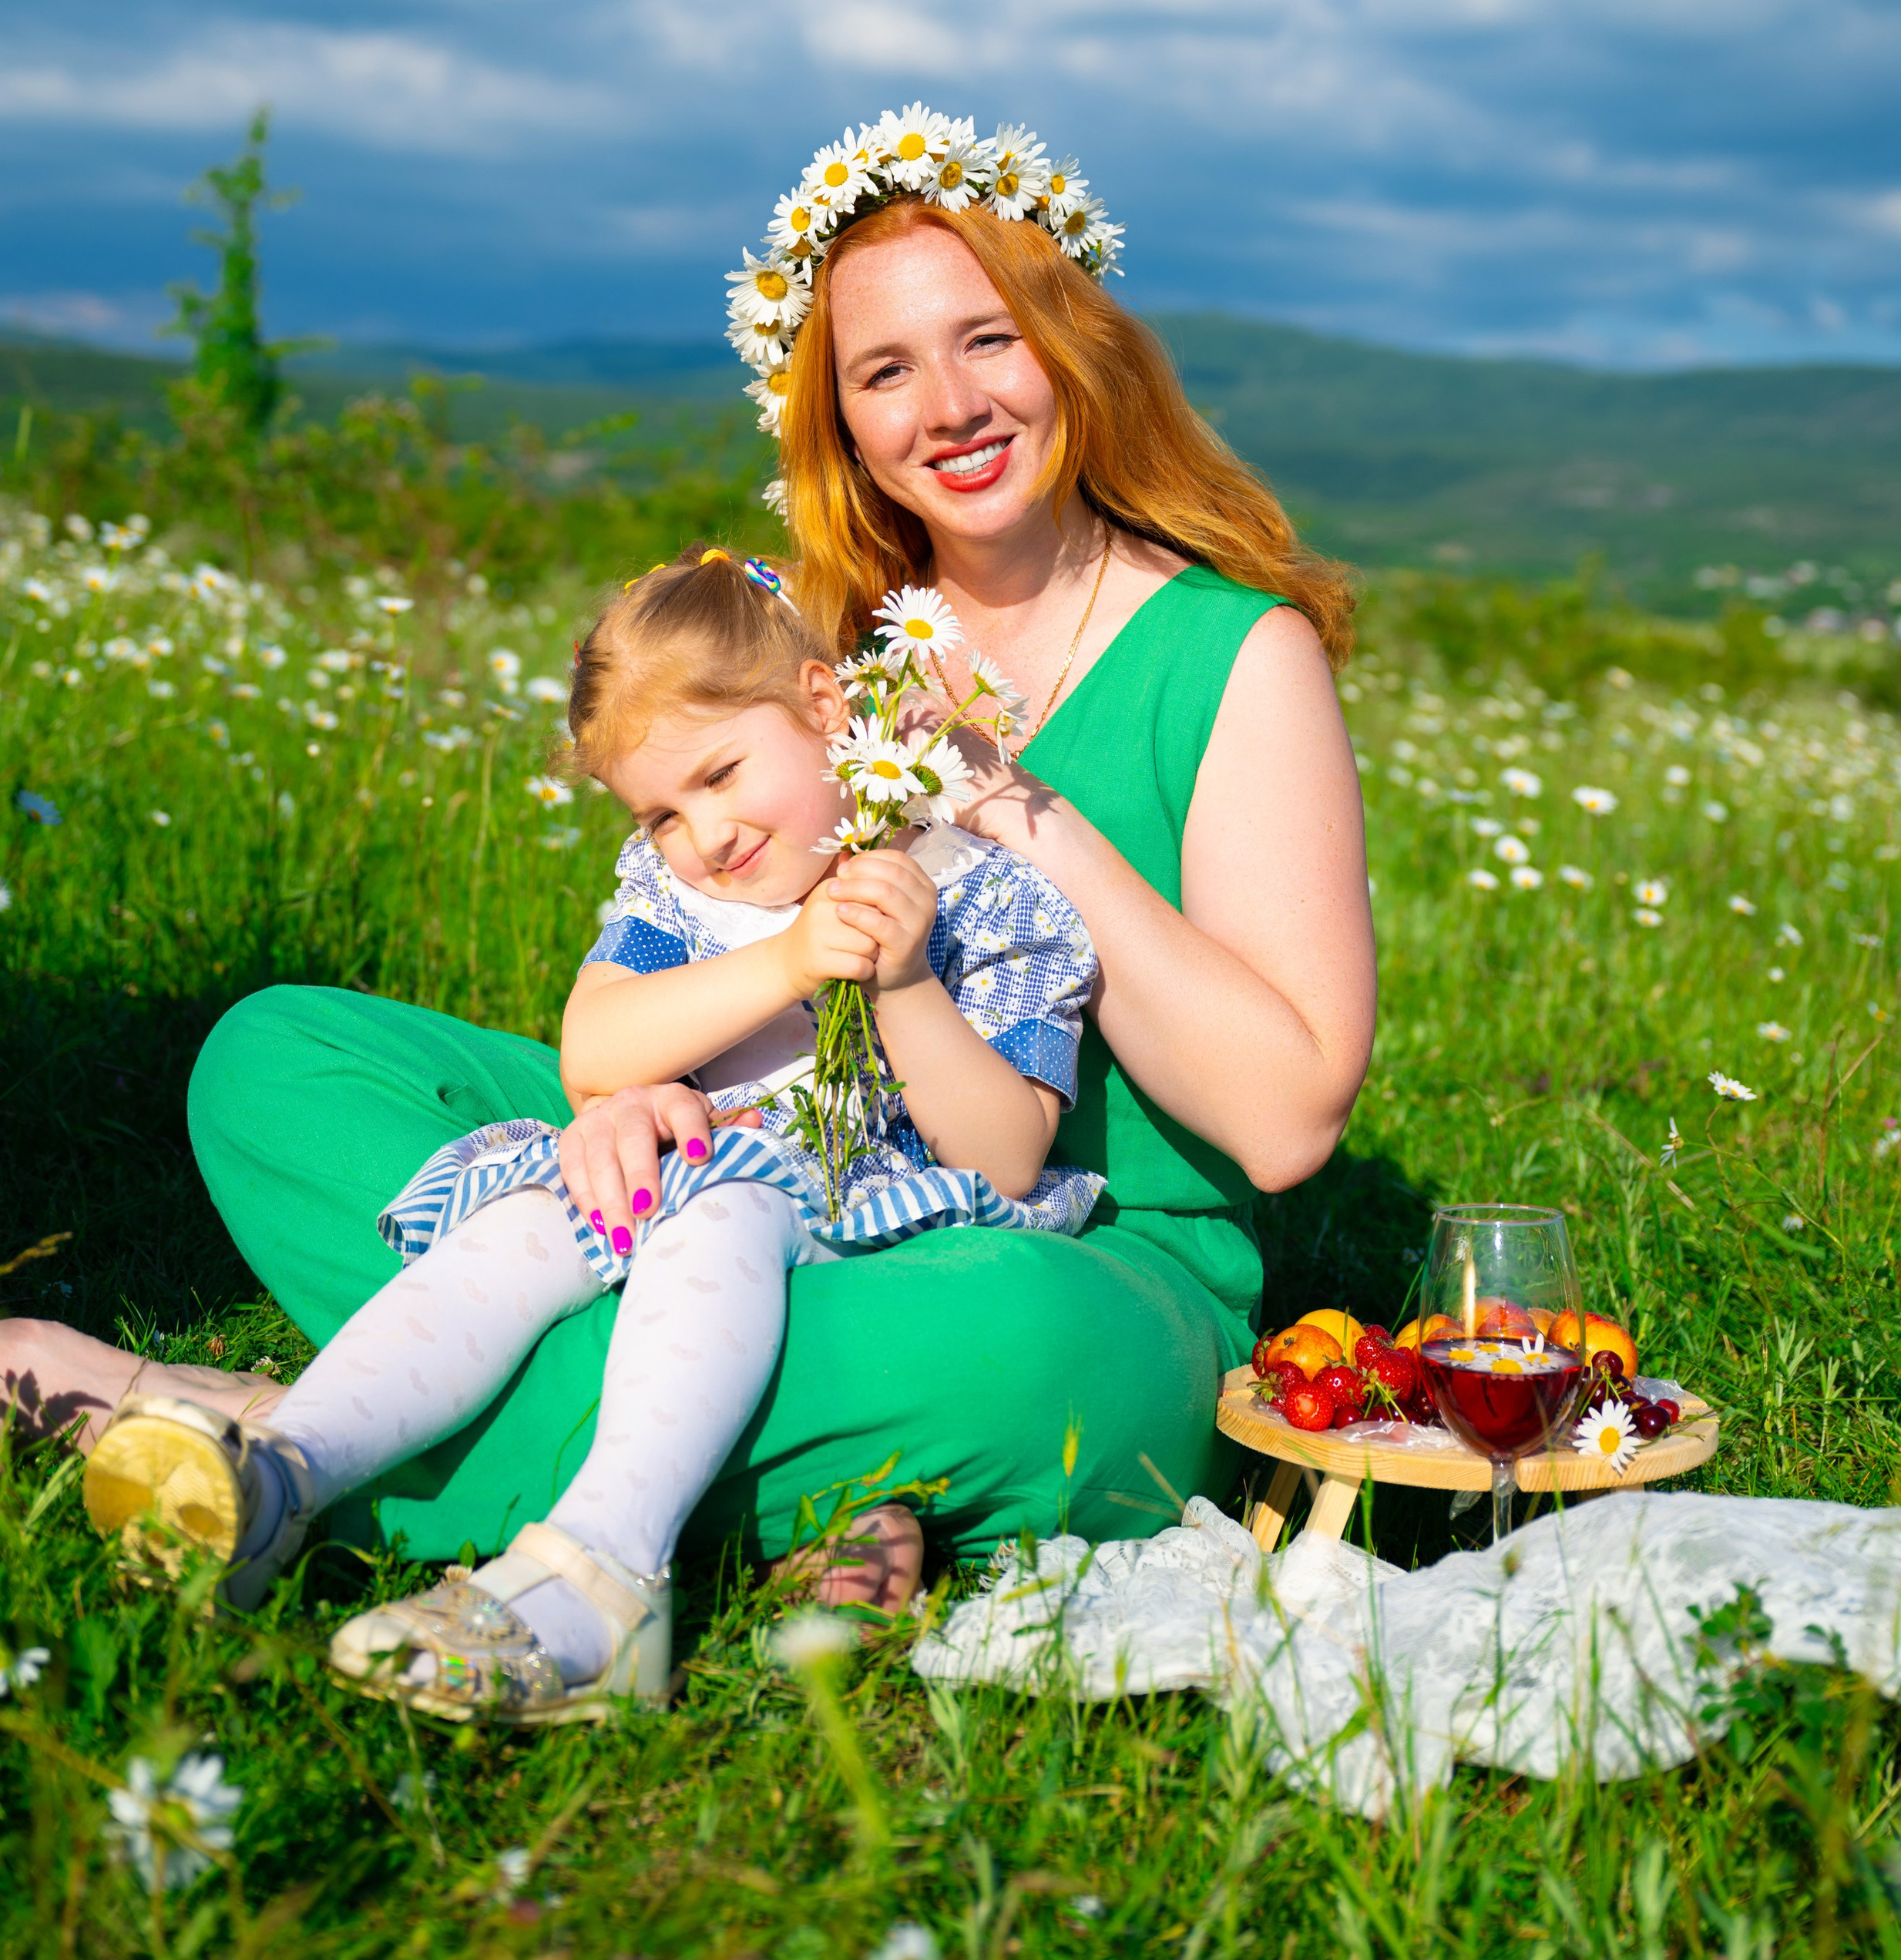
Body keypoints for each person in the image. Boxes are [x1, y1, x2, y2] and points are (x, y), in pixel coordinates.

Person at [5, 106, 1376, 1614]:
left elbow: (1282, 1122)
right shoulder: (821, 643)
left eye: (988, 340)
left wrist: (1006, 805)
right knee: (274, 1059)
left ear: (1073, 340)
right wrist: (642, 1107)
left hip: (1055, 1248)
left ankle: (277, 1436)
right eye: (883, 371)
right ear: (838, 418)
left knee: (1028, 1364)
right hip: (739, 1159)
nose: (947, 407)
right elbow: (664, 964)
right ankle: (772, 1478)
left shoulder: (1235, 654)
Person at [79, 547, 1102, 1720]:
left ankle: (608, 1569)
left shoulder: (981, 896)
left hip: (879, 1238)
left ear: (828, 709)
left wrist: (907, 980)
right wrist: (779, 965)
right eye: (661, 810)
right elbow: (595, 1053)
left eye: (722, 775)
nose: (705, 833)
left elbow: (1009, 1156)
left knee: (725, 1202)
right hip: (686, 1181)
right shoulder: (686, 901)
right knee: (524, 1225)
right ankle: (283, 1472)